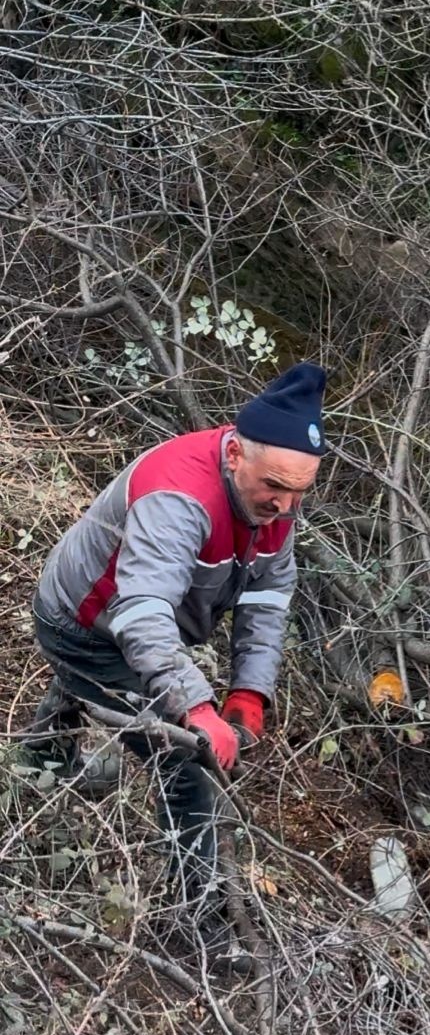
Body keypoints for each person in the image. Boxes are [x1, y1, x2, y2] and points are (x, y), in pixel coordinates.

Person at [21, 361, 326, 918]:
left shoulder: (275, 498)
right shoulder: (179, 497)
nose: (285, 506)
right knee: (183, 762)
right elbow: (140, 611)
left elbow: (268, 594)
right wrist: (196, 708)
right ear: (234, 453)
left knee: (106, 688)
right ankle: (194, 916)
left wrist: (250, 690)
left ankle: (38, 760)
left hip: (116, 622)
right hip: (83, 623)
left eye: (299, 492)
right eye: (276, 487)